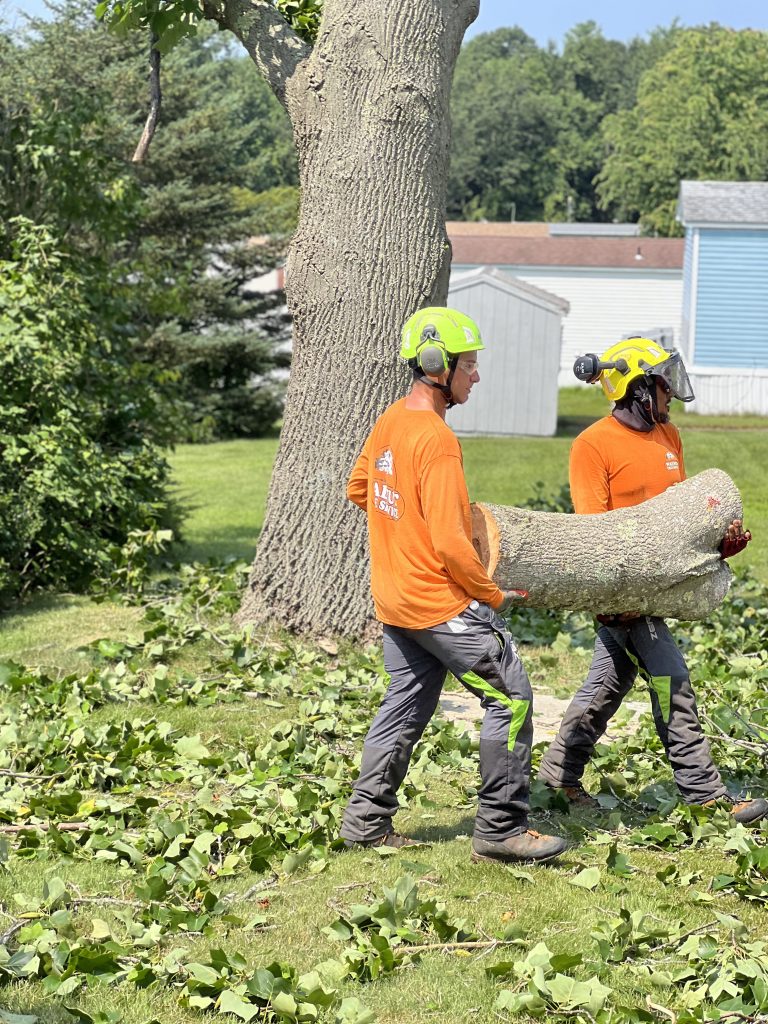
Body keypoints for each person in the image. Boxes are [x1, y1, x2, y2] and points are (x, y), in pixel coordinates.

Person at [340, 307, 567, 864]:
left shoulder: (392, 419)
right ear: (439, 366)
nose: (477, 375)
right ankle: (500, 829)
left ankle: (365, 824)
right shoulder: (436, 439)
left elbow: (360, 488)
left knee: (405, 705)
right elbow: (448, 542)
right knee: (511, 700)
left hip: (395, 600)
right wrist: (492, 595)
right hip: (439, 605)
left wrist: (401, 531)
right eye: (470, 364)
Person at [537, 337, 767, 824]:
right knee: (672, 682)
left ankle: (558, 775)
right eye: (663, 383)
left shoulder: (669, 437)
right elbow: (590, 534)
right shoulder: (592, 445)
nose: (670, 393)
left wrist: (719, 545)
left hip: (658, 589)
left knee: (606, 685)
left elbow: (680, 523)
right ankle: (704, 794)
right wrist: (609, 597)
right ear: (640, 387)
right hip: (622, 595)